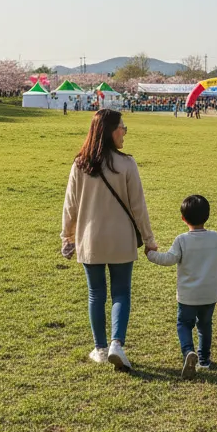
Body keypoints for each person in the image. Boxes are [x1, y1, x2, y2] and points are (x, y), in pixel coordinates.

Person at [61, 109, 157, 371]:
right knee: (121, 293)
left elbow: (70, 206)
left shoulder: (80, 164)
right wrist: (149, 239)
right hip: (122, 240)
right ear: (110, 130)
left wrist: (66, 236)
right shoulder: (126, 164)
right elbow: (139, 207)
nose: (124, 132)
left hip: (89, 240)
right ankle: (117, 343)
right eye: (122, 127)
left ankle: (100, 348)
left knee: (96, 294)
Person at [146, 195, 217, 377]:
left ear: (183, 218)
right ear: (207, 216)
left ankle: (188, 351)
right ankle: (204, 360)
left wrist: (151, 255)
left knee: (184, 324)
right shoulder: (215, 238)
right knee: (205, 326)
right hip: (209, 295)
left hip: (187, 296)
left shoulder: (182, 240)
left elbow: (169, 259)